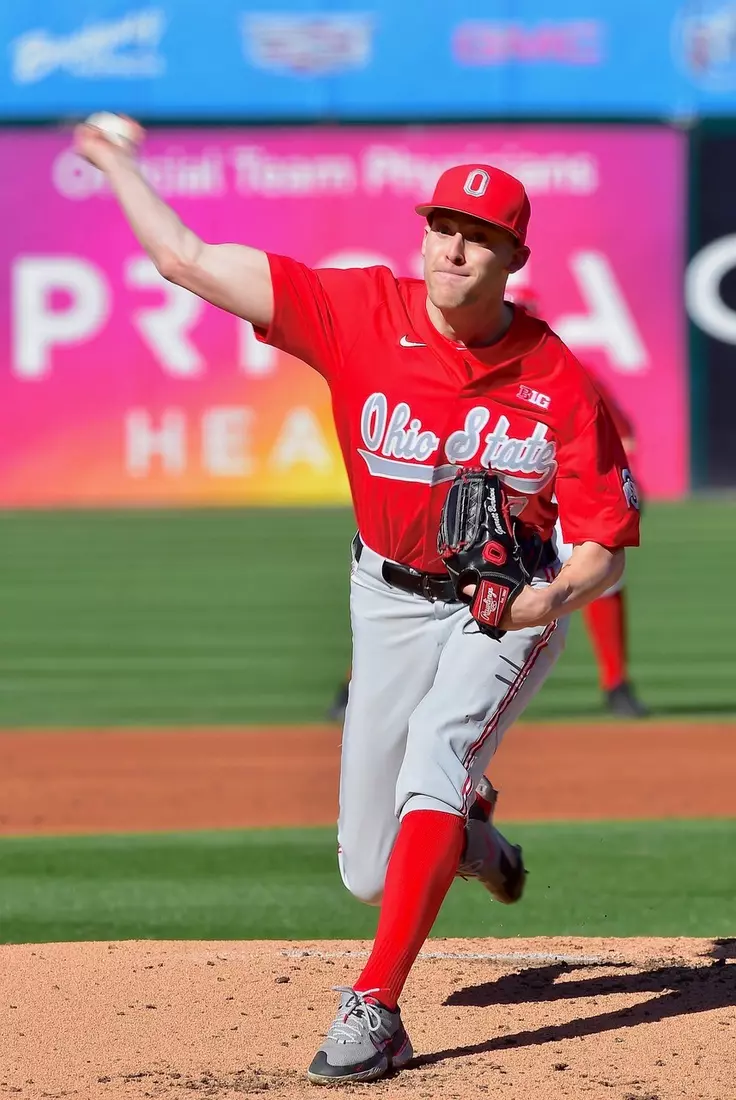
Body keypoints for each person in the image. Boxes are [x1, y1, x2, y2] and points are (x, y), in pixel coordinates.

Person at [74, 121, 640, 1086]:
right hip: (381, 593)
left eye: (480, 234)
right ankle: (466, 835)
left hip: (496, 604)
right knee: (368, 872)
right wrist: (116, 162)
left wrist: (539, 601)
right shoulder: (359, 311)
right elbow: (185, 258)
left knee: (437, 753)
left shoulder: (557, 383)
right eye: (441, 227)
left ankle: (374, 1010)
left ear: (515, 257)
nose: (454, 247)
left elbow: (606, 552)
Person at [508, 287, 648, 719]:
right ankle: (355, 687)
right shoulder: (458, 373)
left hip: (560, 501)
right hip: (493, 505)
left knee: (603, 570)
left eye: (525, 312)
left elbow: (623, 436)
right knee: (416, 581)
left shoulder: (568, 370)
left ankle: (616, 682)